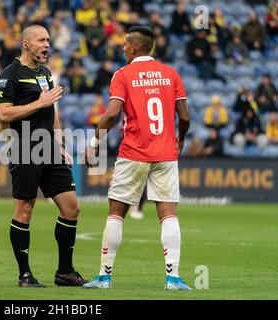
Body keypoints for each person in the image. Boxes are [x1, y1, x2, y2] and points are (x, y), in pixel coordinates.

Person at [83, 26, 191, 290]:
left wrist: (94, 143)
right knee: (169, 215)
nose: (122, 48)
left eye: (124, 45)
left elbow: (111, 114)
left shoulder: (123, 75)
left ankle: (105, 277)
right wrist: (181, 140)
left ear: (133, 47)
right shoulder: (171, 74)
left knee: (116, 214)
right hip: (166, 153)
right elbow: (185, 117)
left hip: (133, 152)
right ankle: (173, 278)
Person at [0, 25, 87, 288]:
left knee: (72, 208)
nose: (47, 44)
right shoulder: (9, 75)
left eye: (48, 40)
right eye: (41, 40)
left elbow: (53, 113)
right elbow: (4, 114)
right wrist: (40, 103)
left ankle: (65, 272)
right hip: (25, 147)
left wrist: (60, 145)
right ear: (26, 44)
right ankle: (24, 275)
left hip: (49, 149)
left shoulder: (46, 73)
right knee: (24, 211)